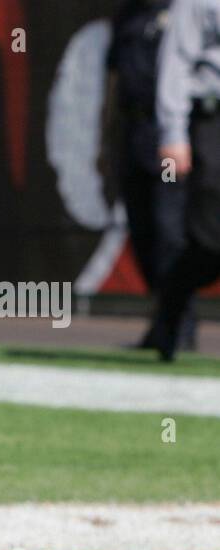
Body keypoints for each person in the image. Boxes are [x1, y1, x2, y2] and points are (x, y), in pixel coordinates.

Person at [107, 0, 197, 350]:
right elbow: (114, 77)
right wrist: (106, 137)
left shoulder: (186, 11)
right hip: (134, 131)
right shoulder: (129, 14)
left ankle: (179, 324)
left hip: (171, 136)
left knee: (169, 228)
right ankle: (164, 318)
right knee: (141, 228)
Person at [152, 0, 220, 360]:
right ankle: (171, 309)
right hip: (212, 120)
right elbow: (176, 59)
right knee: (210, 241)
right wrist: (173, 133)